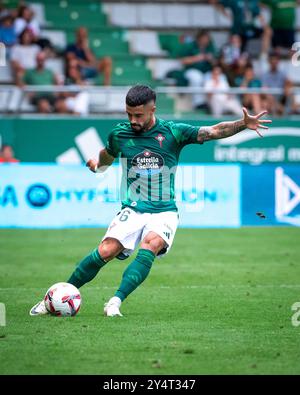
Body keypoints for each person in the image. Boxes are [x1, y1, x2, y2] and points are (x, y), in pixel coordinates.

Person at [29, 84, 271, 317]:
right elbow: (107, 155)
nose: (133, 120)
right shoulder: (119, 134)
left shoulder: (173, 132)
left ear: (152, 110)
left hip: (165, 210)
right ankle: (54, 296)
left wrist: (243, 124)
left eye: (138, 115)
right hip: (133, 208)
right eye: (129, 114)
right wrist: (96, 166)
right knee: (106, 250)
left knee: (150, 245)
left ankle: (115, 301)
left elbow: (214, 130)